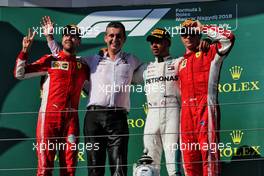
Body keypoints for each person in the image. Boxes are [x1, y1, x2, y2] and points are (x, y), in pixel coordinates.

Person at [42, 16, 142, 176]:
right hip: (94, 118)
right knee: (95, 170)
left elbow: (152, 71)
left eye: (118, 36)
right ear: (105, 38)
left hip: (118, 119)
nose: (114, 39)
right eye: (111, 35)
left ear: (124, 39)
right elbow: (66, 59)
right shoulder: (92, 60)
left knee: (119, 169)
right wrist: (50, 38)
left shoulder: (132, 60)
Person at [14, 25, 89, 176]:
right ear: (62, 39)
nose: (69, 37)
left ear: (79, 41)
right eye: (66, 35)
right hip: (49, 119)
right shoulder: (50, 60)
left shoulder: (83, 67)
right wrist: (24, 51)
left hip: (71, 123)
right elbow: (19, 73)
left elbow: (95, 91)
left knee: (69, 169)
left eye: (73, 36)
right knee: (45, 169)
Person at [178, 19, 235, 176]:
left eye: (192, 33)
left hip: (206, 108)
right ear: (181, 37)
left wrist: (204, 28)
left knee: (209, 155)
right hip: (186, 113)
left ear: (198, 33)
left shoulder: (210, 52)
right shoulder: (179, 63)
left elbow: (229, 38)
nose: (188, 37)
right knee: (189, 159)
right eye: (184, 34)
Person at [133, 28, 183, 176]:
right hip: (152, 113)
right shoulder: (145, 68)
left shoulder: (178, 63)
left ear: (167, 42)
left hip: (173, 112)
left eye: (158, 42)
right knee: (149, 163)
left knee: (173, 160)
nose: (154, 45)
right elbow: (124, 74)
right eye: (152, 42)